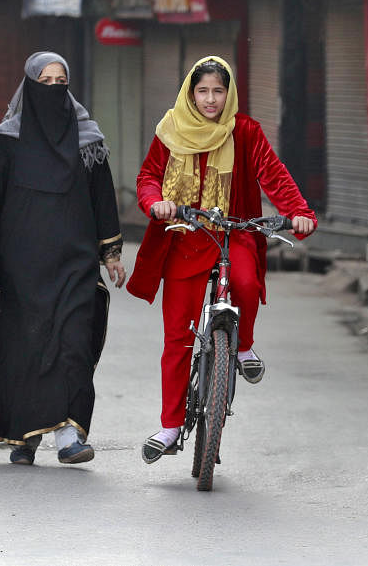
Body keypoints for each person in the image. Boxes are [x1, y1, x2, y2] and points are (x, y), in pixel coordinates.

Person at [127, 56, 316, 463]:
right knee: (177, 335)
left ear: (228, 94)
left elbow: (274, 174)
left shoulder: (245, 131)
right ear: (190, 93)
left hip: (234, 232)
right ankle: (171, 425)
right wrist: (156, 202)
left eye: (218, 91)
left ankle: (243, 347)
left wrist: (300, 212)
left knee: (246, 284)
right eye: (202, 91)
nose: (210, 99)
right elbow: (148, 176)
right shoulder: (170, 130)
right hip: (184, 235)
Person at [0, 51, 126, 465]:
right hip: (21, 264)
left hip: (74, 260)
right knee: (27, 347)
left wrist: (111, 254)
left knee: (73, 343)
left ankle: (69, 436)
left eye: (61, 83)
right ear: (29, 85)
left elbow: (103, 198)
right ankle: (25, 435)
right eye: (46, 82)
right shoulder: (6, 139)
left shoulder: (87, 139)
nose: (54, 90)